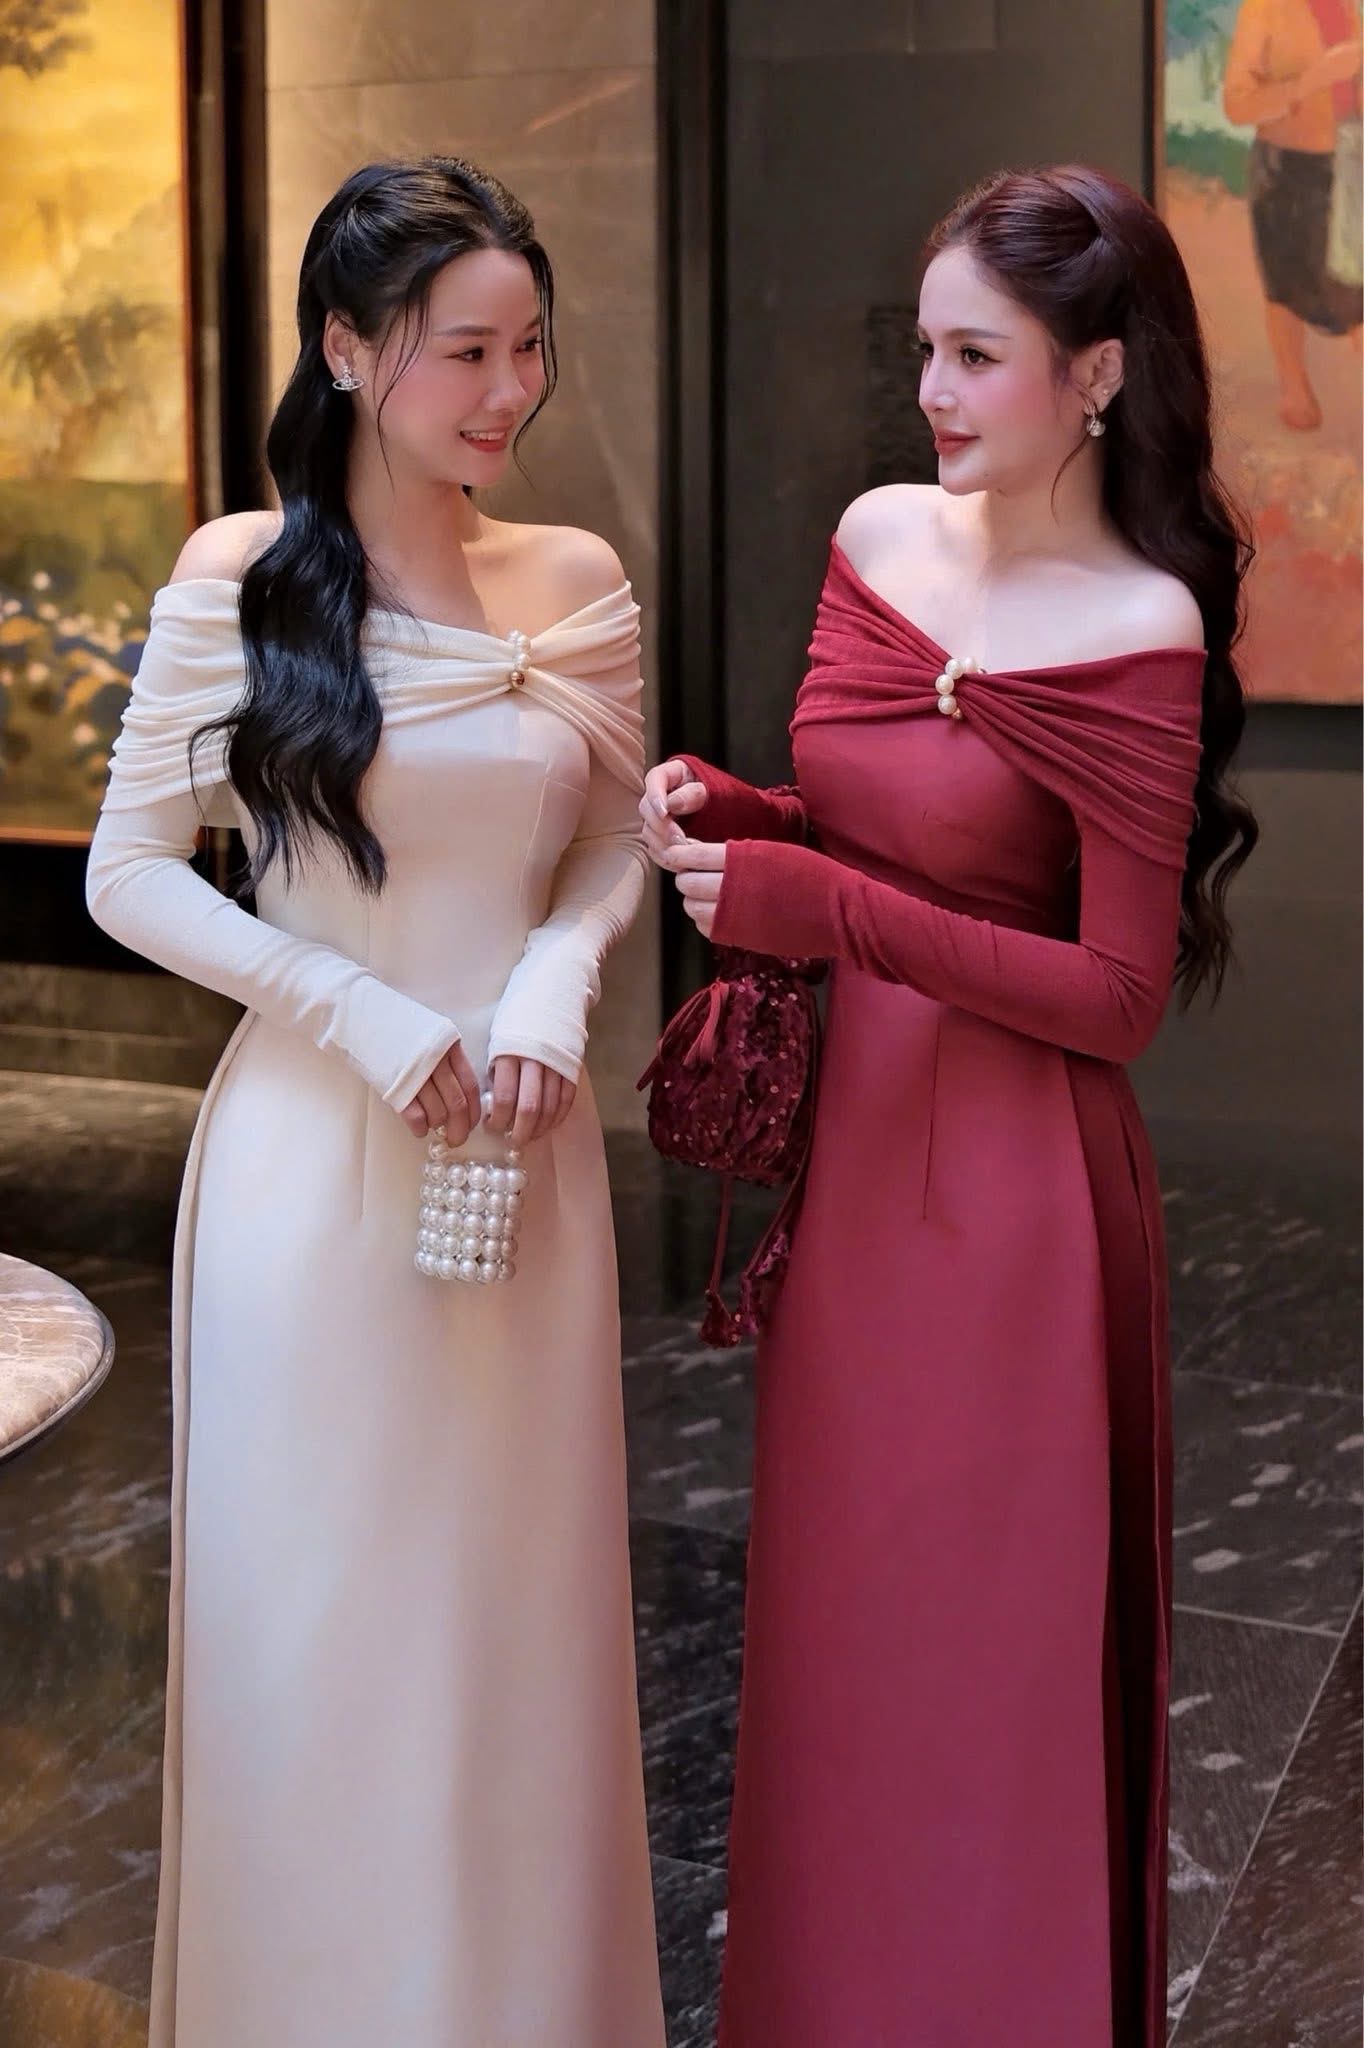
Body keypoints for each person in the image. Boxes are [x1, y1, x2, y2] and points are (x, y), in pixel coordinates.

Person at [642, 165, 1257, 2048]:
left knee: (986, 1671)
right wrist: (748, 818)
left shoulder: (1142, 624)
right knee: (843, 1647)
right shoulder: (875, 536)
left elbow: (1116, 999)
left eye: (977, 356)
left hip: (1016, 1204)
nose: (930, 390)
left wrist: (823, 909)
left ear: (1096, 376)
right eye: (924, 348)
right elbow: (866, 823)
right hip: (853, 1182)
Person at [86, 156, 664, 2048]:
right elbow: (129, 874)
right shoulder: (238, 580)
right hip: (313, 1169)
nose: (509, 392)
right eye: (463, 351)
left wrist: (551, 984)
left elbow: (612, 846)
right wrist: (351, 1004)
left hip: (526, 1161)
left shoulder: (572, 581)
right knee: (321, 1633)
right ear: (345, 348)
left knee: (516, 1636)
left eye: (529, 348)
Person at [1223, 0, 1363, 428]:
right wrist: (1309, 82)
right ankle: (1294, 388)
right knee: (1283, 284)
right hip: (1286, 166)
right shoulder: (1264, 8)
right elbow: (1237, 105)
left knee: (1355, 287)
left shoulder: (1349, 6)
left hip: (1350, 159)